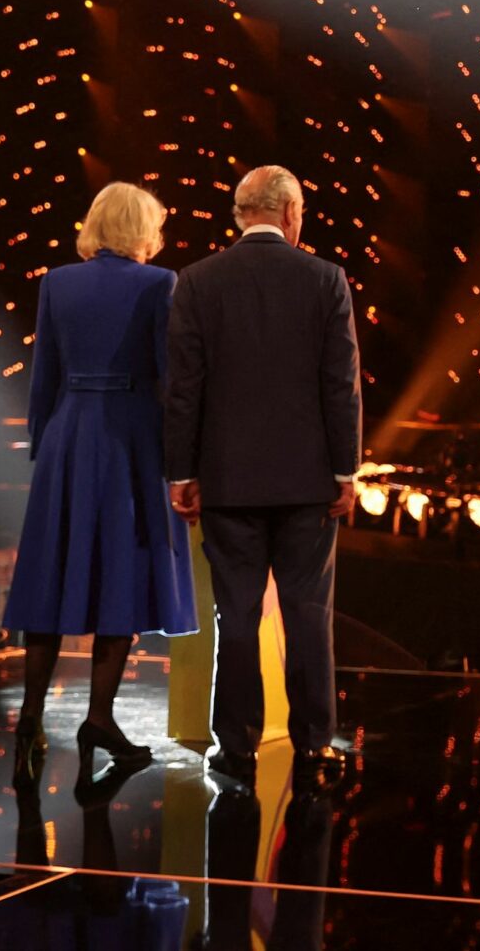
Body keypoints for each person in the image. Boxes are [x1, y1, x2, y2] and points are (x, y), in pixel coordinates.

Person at [166, 165, 362, 784]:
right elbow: (341, 385)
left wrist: (181, 472)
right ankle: (314, 745)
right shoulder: (326, 279)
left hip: (228, 484)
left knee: (237, 617)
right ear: (291, 213)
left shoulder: (197, 281)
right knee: (308, 614)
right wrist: (345, 471)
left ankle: (237, 747)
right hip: (309, 485)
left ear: (239, 214)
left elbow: (183, 389)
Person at [7, 181, 199, 789]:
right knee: (122, 569)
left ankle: (30, 718)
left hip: (66, 437)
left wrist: (44, 444)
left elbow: (44, 374)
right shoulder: (159, 283)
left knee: (52, 571)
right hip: (128, 439)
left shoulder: (57, 282)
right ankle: (98, 718)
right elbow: (170, 376)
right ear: (143, 229)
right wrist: (182, 457)